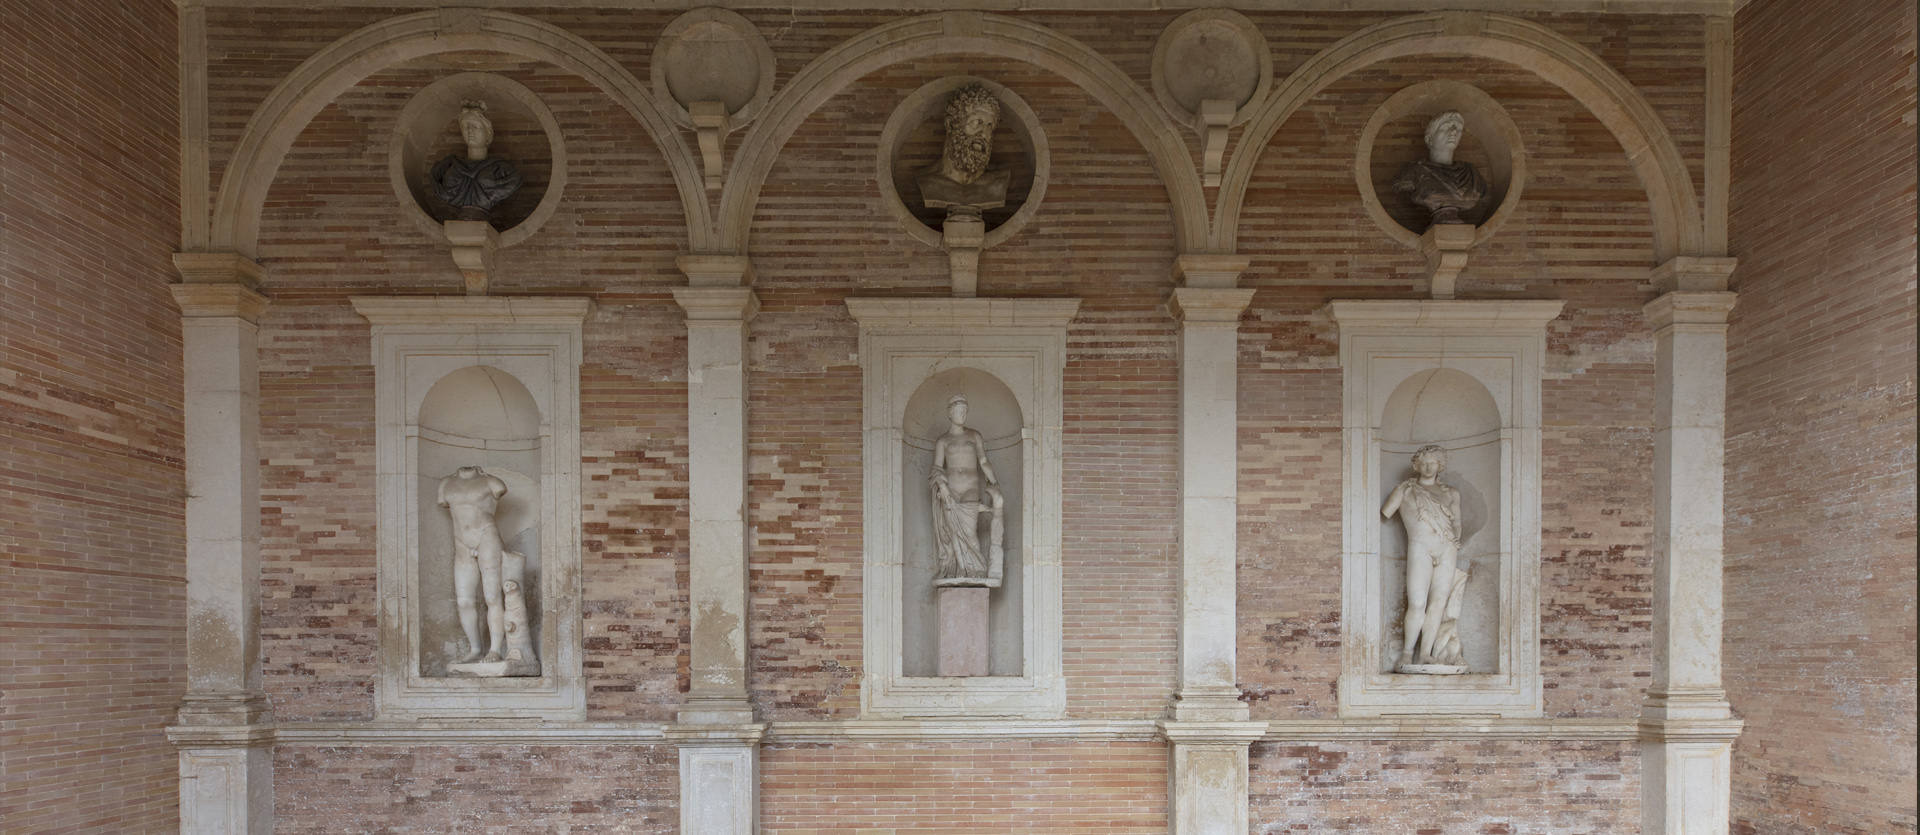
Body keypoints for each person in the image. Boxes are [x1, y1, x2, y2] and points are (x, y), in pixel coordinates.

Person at [1382, 444, 1469, 670]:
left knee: (1438, 603)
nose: (1429, 467)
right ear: (1416, 465)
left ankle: (1425, 654)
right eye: (1424, 462)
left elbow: (1457, 522)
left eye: (1433, 462)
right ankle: (1407, 653)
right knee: (1418, 602)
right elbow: (1385, 512)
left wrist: (1454, 540)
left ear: (1440, 465)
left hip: (1447, 549)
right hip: (1420, 547)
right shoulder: (1405, 490)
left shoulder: (1452, 493)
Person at [438, 465, 516, 665]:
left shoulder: (492, 482)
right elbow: (445, 504)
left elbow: (500, 489)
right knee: (464, 600)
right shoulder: (446, 484)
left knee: (492, 597)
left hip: (486, 536)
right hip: (461, 542)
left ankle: (495, 649)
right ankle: (475, 649)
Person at [929, 394, 1005, 587]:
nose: (962, 414)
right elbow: (937, 468)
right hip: (951, 491)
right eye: (958, 411)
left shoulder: (974, 435)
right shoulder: (943, 441)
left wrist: (995, 482)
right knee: (955, 532)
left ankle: (976, 569)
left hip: (971, 489)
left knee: (970, 533)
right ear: (949, 413)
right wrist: (943, 487)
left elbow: (984, 461)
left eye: (965, 411)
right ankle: (962, 569)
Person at [917, 84, 1011, 213]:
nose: (984, 134)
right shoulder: (926, 180)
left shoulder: (999, 179)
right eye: (976, 122)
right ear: (951, 124)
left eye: (990, 127)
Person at [430, 100, 524, 222]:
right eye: (465, 126)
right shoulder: (448, 165)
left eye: (476, 126)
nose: (470, 130)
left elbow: (515, 180)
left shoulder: (502, 169)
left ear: (488, 133)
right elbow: (434, 178)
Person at [1392, 111, 1489, 226]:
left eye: (1458, 128)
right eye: (1446, 127)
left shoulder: (1472, 174)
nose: (1453, 132)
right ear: (1429, 139)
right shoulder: (1414, 172)